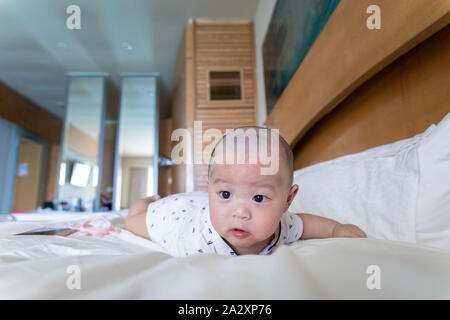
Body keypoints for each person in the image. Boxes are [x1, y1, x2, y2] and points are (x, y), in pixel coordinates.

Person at [125, 126, 366, 257]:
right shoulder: (196, 244)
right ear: (210, 190)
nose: (239, 213)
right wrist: (150, 207)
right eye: (225, 194)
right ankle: (149, 199)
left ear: (287, 200)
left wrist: (337, 229)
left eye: (259, 198)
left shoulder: (282, 226)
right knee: (132, 222)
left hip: (200, 205)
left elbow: (307, 224)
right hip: (179, 215)